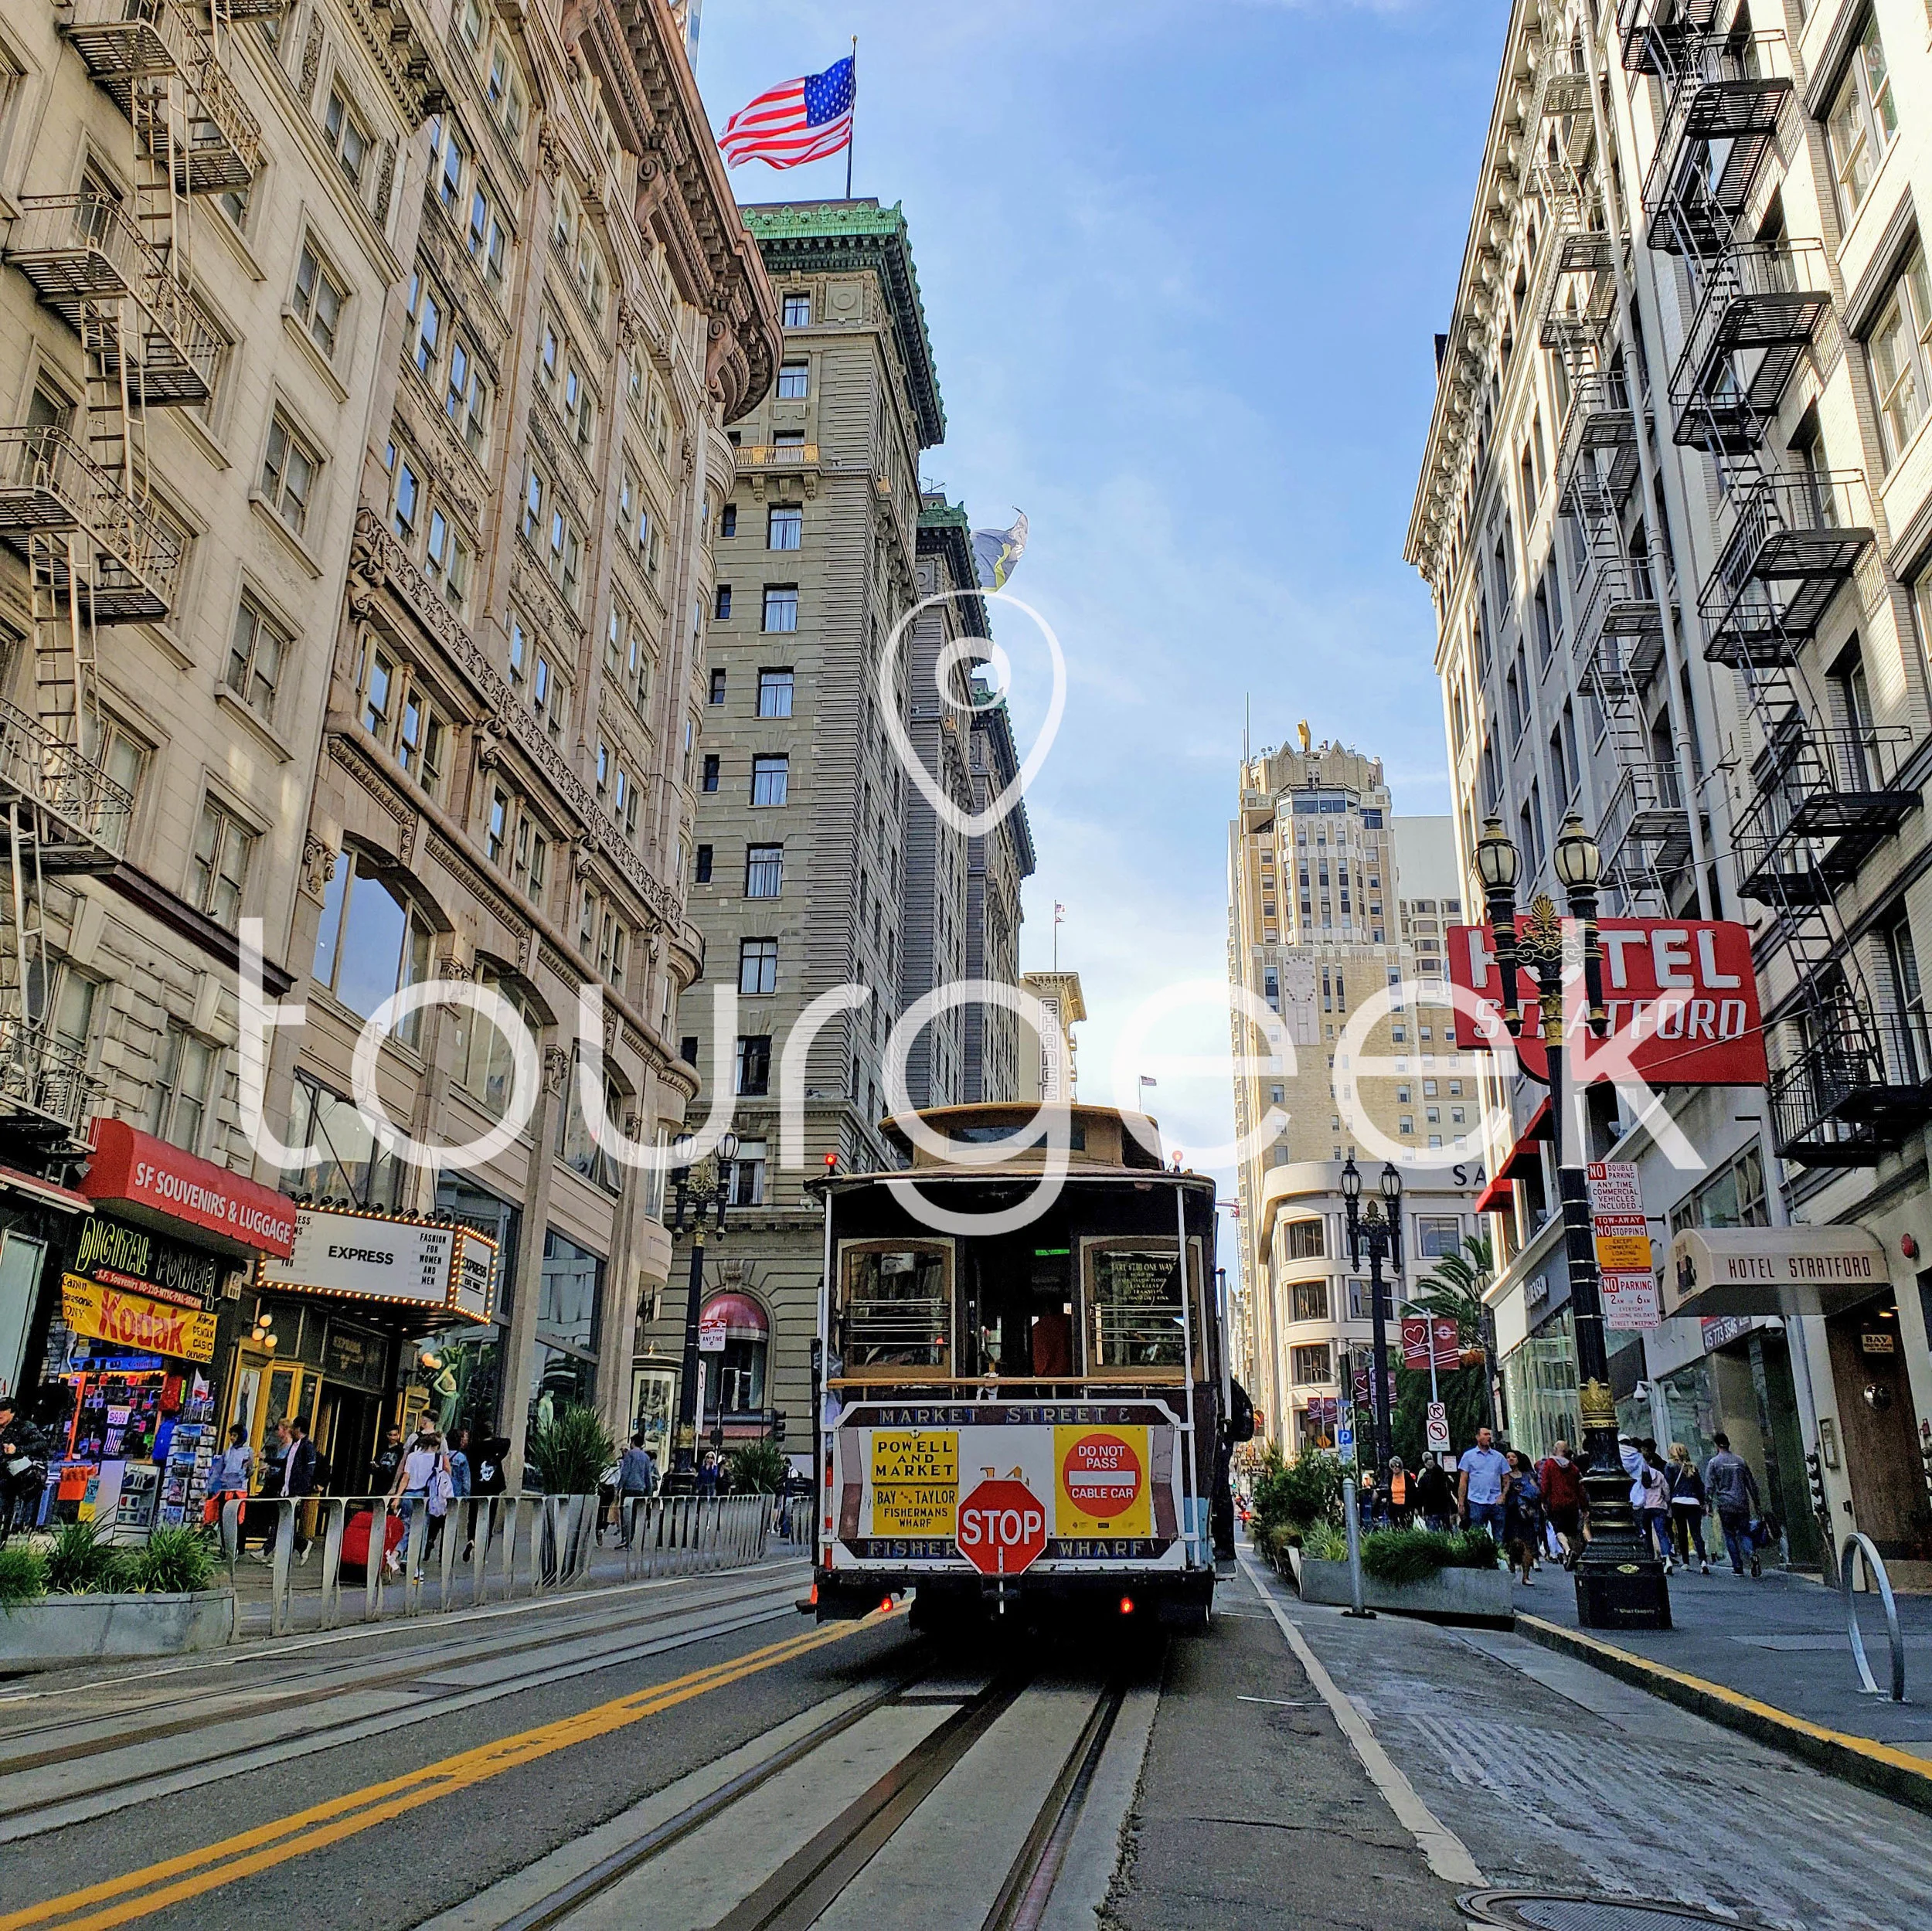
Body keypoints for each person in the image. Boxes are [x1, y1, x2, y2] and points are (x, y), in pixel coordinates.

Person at [1704, 1432, 1763, 1576]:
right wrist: (1756, 1503)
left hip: (1725, 1504)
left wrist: (1708, 1503)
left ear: (1716, 1445)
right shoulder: (1740, 1461)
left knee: (1729, 1535)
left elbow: (1709, 1486)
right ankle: (1752, 1554)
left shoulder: (1714, 1463)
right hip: (1742, 1503)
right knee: (1744, 1532)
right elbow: (1751, 1483)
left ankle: (1738, 1567)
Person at [0, 1398, 48, 1546]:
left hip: (11, 1476)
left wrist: (18, 1450)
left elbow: (42, 1443)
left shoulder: (24, 1427)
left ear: (12, 1413)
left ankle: (3, 1537)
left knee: (4, 1505)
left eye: (3, 1411)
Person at [1535, 1440, 1588, 1568]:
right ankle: (1575, 1556)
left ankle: (1568, 1550)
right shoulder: (1573, 1468)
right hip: (1572, 1504)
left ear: (1555, 1450)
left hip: (1556, 1503)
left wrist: (1542, 1499)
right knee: (1572, 1532)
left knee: (1559, 1530)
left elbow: (1545, 1484)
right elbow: (1579, 1489)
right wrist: (1584, 1506)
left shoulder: (1549, 1465)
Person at [1457, 1426, 1512, 1540]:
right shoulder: (1468, 1456)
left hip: (1496, 1502)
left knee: (1499, 1535)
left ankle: (1499, 1556)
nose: (1489, 1437)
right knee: (1478, 1535)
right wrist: (1461, 1503)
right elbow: (1463, 1481)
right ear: (1478, 1437)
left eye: (1489, 1434)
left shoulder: (1499, 1457)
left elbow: (1507, 1479)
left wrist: (1503, 1495)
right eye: (1485, 1434)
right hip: (1476, 1501)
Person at [278, 1416, 318, 1562]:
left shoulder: (307, 1447)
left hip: (296, 1492)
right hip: (287, 1489)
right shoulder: (295, 1446)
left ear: (299, 1429)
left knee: (288, 1523)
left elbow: (309, 1470)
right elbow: (286, 1464)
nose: (291, 1430)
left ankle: (303, 1544)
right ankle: (291, 1551)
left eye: (293, 1427)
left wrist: (302, 1490)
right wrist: (267, 1459)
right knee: (285, 1523)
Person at [1668, 1442, 1710, 1574]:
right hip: (1693, 1502)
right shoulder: (1693, 1468)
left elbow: (1668, 1485)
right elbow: (1700, 1487)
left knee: (1682, 1532)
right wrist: (1703, 1503)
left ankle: (1686, 1562)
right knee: (1696, 1532)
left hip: (1677, 1502)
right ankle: (1703, 1561)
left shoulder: (1670, 1466)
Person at [611, 1432, 658, 1545]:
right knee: (637, 1514)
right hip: (640, 1489)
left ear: (632, 1443)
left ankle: (626, 1537)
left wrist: (619, 1487)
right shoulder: (646, 1457)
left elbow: (625, 1472)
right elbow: (648, 1475)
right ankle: (634, 1537)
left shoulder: (630, 1455)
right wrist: (649, 1492)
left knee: (626, 1513)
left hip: (629, 1488)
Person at [1502, 1450, 1543, 1585]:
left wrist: (1524, 1492)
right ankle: (1512, 1564)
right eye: (1508, 1457)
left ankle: (1526, 1576)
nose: (1511, 1459)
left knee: (1528, 1544)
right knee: (1513, 1542)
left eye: (1513, 1457)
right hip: (1511, 1513)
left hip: (1526, 1514)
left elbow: (1536, 1491)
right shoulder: (1503, 1476)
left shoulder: (1527, 1475)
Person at [203, 1423, 253, 1531]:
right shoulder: (227, 1452)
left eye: (235, 1436)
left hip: (238, 1492)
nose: (232, 1438)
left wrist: (247, 1471)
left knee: (237, 1521)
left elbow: (249, 1470)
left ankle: (237, 1546)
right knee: (222, 1518)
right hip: (225, 1491)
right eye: (231, 1435)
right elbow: (217, 1471)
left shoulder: (248, 1451)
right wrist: (208, 1487)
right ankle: (224, 1545)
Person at [1415, 1453, 1457, 1532]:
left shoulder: (1423, 1479)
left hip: (1430, 1510)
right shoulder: (1443, 1477)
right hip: (1444, 1510)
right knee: (1446, 1533)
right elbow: (1449, 1492)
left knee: (1434, 1535)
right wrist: (1453, 1508)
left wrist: (1419, 1510)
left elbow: (1419, 1496)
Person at [369, 1423, 404, 1498]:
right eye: (390, 1435)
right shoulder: (382, 1447)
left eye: (395, 1435)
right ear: (387, 1435)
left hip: (391, 1482)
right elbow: (376, 1461)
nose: (392, 1437)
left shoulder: (401, 1449)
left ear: (398, 1435)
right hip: (378, 1482)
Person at [1384, 1456, 1413, 1528]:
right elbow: (1389, 1491)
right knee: (1396, 1526)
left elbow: (1413, 1491)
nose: (1395, 1468)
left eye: (1397, 1466)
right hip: (1394, 1506)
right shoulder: (1390, 1477)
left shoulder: (1406, 1476)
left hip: (1406, 1506)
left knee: (1406, 1526)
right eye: (1392, 1466)